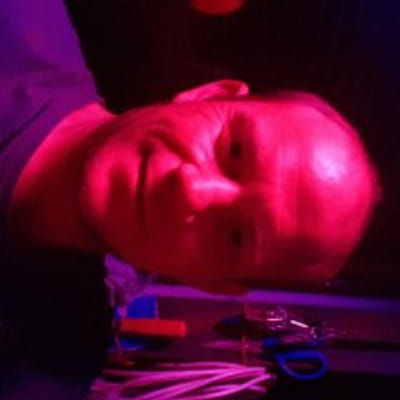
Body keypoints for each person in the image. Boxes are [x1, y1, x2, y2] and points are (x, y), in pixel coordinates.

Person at [0, 0, 379, 399]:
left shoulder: (43, 365)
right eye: (234, 150)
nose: (192, 190)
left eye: (235, 237)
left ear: (212, 283)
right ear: (208, 94)